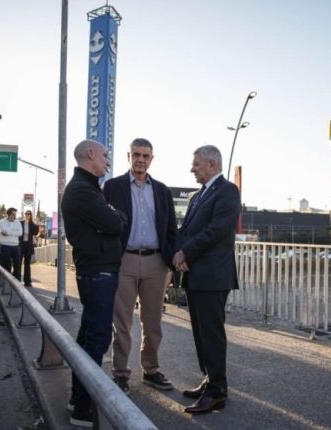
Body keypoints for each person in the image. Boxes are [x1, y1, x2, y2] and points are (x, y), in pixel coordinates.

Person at [103, 138, 177, 394]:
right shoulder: (112, 187)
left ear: (152, 159)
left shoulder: (162, 191)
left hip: (156, 262)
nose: (141, 160)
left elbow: (171, 229)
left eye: (146, 156)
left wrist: (171, 262)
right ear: (129, 156)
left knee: (153, 321)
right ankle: (120, 373)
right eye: (136, 154)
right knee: (121, 322)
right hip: (124, 260)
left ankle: (151, 370)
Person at [61, 139, 127, 428]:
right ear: (90, 154)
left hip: (98, 270)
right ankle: (82, 406)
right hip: (98, 272)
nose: (108, 160)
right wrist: (115, 216)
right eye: (105, 155)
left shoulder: (88, 188)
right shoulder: (82, 190)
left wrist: (113, 215)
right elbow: (116, 223)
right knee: (97, 338)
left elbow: (112, 220)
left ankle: (79, 398)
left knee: (89, 335)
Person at [173, 145, 241, 414]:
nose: (192, 169)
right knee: (200, 332)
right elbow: (187, 230)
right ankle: (209, 378)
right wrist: (178, 253)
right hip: (195, 274)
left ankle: (217, 391)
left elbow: (218, 230)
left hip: (213, 276)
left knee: (211, 333)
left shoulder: (227, 191)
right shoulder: (197, 196)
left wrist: (186, 252)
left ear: (212, 164)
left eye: (196, 164)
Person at [0, 207, 22, 280]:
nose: (15, 216)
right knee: (6, 266)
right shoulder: (1, 222)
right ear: (8, 214)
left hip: (16, 246)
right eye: (13, 214)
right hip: (5, 246)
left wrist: (9, 232)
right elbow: (3, 232)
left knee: (17, 265)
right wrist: (14, 232)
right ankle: (6, 282)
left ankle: (16, 282)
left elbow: (20, 233)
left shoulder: (18, 222)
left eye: (15, 214)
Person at [20, 210, 40, 287]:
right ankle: (17, 280)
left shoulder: (32, 224)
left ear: (31, 215)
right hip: (20, 245)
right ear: (24, 215)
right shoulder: (20, 223)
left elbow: (36, 233)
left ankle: (27, 282)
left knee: (27, 265)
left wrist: (37, 225)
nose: (27, 215)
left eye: (28, 214)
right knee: (18, 263)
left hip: (28, 246)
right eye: (26, 214)